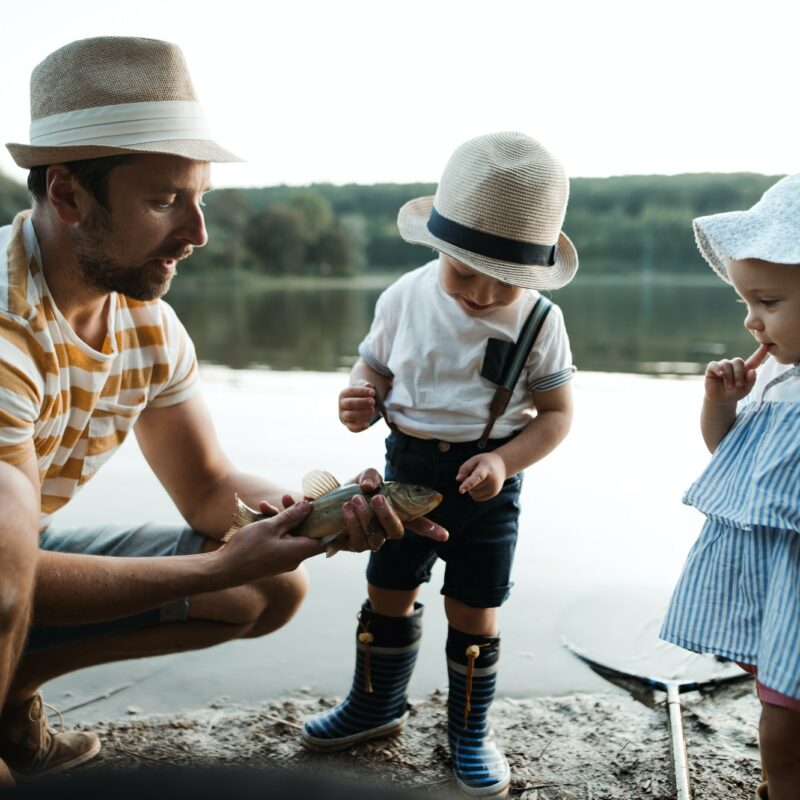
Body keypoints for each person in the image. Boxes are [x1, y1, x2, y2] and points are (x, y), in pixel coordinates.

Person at [0, 36, 446, 784]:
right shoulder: (8, 329)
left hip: (15, 552)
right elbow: (7, 579)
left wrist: (312, 520)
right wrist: (212, 568)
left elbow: (207, 488)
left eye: (200, 198)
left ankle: (13, 691)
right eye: (165, 200)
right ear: (68, 193)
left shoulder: (145, 324)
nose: (197, 233)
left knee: (269, 587)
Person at [301, 132, 577, 798]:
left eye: (504, 280)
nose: (481, 293)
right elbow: (373, 365)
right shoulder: (403, 297)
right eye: (464, 273)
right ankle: (375, 706)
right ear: (437, 249)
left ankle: (469, 732)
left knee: (474, 611)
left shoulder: (541, 322)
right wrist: (359, 395)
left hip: (488, 488)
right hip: (405, 471)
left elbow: (558, 417)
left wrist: (505, 462)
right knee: (387, 588)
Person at [660, 174, 800, 800]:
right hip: (775, 586)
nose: (750, 321)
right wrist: (721, 405)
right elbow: (733, 462)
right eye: (745, 302)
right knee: (782, 715)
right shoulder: (773, 383)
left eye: (767, 302)